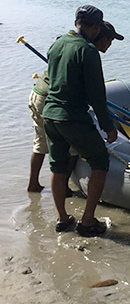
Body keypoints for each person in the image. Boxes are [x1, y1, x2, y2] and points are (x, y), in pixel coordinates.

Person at [43, 6, 118, 237]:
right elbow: (97, 95)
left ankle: (62, 218)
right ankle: (87, 221)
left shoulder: (57, 43)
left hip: (50, 113)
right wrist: (108, 126)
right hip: (72, 116)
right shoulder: (87, 50)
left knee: (58, 164)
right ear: (95, 27)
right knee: (100, 160)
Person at [28, 21, 123, 192]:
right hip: (53, 101)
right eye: (109, 41)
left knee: (40, 143)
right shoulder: (87, 51)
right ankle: (63, 186)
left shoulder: (69, 45)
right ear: (101, 38)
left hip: (38, 92)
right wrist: (107, 125)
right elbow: (94, 93)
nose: (109, 45)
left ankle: (33, 184)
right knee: (73, 149)